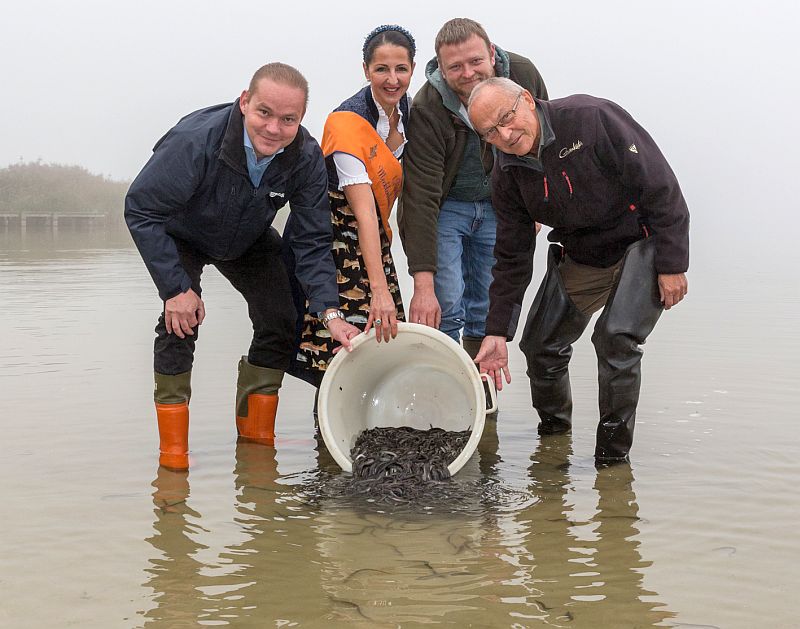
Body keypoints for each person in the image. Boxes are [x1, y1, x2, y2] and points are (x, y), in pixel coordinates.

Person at [125, 62, 360, 471]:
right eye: (264, 113)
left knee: (282, 320)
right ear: (245, 101)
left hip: (247, 237)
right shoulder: (195, 141)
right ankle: (174, 455)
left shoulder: (305, 157)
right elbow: (141, 209)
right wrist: (175, 289)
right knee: (180, 323)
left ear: (301, 120)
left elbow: (311, 241)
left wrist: (331, 312)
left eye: (288, 119)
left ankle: (255, 443)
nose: (273, 128)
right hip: (183, 231)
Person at [468, 77, 689, 465]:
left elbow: (660, 186)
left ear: (526, 99)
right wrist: (496, 330)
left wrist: (673, 264)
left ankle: (611, 462)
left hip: (640, 242)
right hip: (583, 253)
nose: (504, 134)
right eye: (490, 132)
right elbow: (513, 255)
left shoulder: (591, 118)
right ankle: (554, 445)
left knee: (615, 339)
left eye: (507, 117)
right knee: (539, 346)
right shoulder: (507, 174)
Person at [397, 17, 548, 360]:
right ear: (441, 68)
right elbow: (420, 194)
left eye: (476, 61)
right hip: (447, 205)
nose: (468, 73)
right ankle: (445, 382)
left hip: (501, 203)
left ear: (492, 53)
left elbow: (542, 140)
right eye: (456, 67)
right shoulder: (428, 105)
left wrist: (535, 208)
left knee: (487, 305)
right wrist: (422, 284)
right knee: (445, 302)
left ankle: (482, 391)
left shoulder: (523, 76)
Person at [290, 25, 416, 387]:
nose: (392, 79)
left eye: (401, 69)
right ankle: (327, 435)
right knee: (339, 351)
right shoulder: (346, 123)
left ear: (411, 68)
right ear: (365, 70)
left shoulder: (407, 111)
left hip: (374, 237)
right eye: (381, 70)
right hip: (337, 242)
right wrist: (379, 290)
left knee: (384, 341)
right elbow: (362, 214)